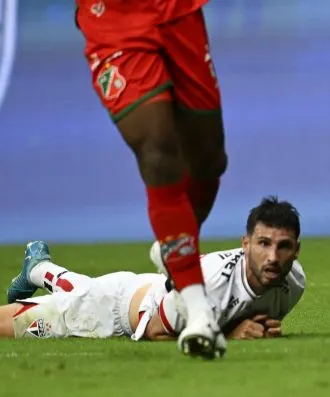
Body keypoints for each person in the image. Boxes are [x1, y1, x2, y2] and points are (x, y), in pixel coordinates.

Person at [0, 182, 305, 348]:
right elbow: (157, 331)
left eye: (283, 247)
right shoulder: (209, 282)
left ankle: (38, 269)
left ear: (297, 251)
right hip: (106, 311)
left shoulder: (294, 282)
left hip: (137, 289)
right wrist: (229, 333)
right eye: (263, 244)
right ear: (245, 244)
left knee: (91, 290)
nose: (273, 257)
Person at [72, 0, 229, 359]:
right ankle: (199, 311)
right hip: (113, 18)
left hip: (178, 11)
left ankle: (172, 250)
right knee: (158, 154)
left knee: (209, 160)